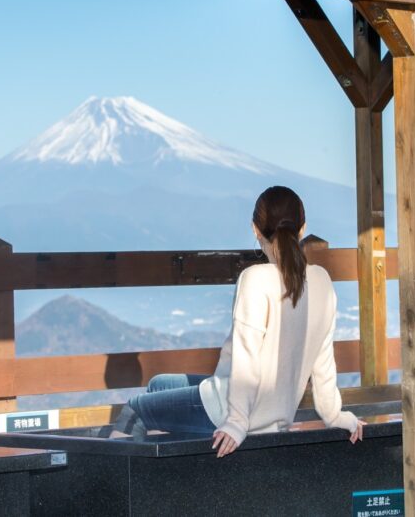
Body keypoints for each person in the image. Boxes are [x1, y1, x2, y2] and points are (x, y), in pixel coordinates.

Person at [113, 185, 365, 457]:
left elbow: (247, 359)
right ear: (302, 229)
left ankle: (115, 490)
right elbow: (323, 361)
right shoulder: (322, 281)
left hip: (234, 411)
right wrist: (334, 414)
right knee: (159, 384)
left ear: (256, 229)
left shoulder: (255, 278)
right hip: (266, 409)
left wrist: (236, 422)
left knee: (135, 411)